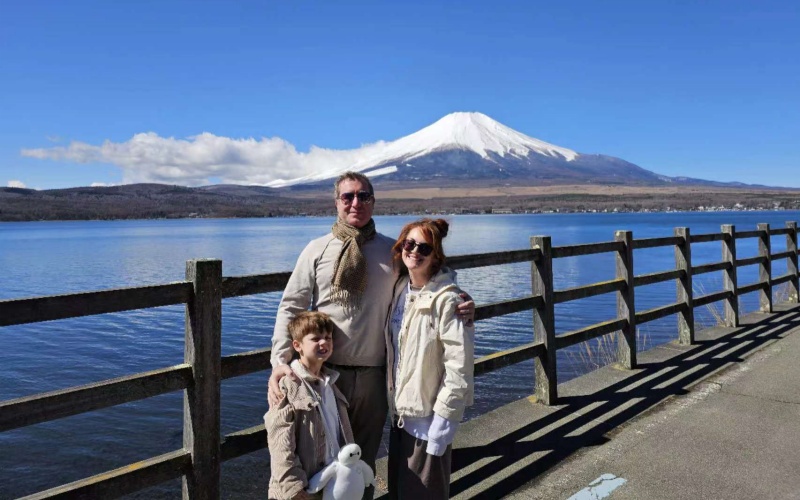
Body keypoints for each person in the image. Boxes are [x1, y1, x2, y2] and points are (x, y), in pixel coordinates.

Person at [269, 171, 474, 499]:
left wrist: (457, 297)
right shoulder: (316, 250)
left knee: (361, 464)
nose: (356, 203)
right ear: (336, 202)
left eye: (363, 196)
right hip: (325, 377)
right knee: (318, 460)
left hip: (374, 380)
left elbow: (427, 273)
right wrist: (281, 361)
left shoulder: (391, 251)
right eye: (348, 196)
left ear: (373, 202)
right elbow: (291, 306)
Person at [385, 218, 474, 499]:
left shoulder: (447, 300)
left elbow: (459, 365)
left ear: (436, 256)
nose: (414, 251)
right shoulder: (400, 289)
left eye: (424, 248)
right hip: (401, 416)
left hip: (427, 422)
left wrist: (443, 423)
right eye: (409, 244)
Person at [265, 311, 354, 500]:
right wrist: (293, 486)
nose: (324, 343)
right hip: (301, 489)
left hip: (328, 481)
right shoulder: (288, 385)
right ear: (297, 345)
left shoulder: (330, 383)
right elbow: (280, 442)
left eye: (328, 338)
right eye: (315, 339)